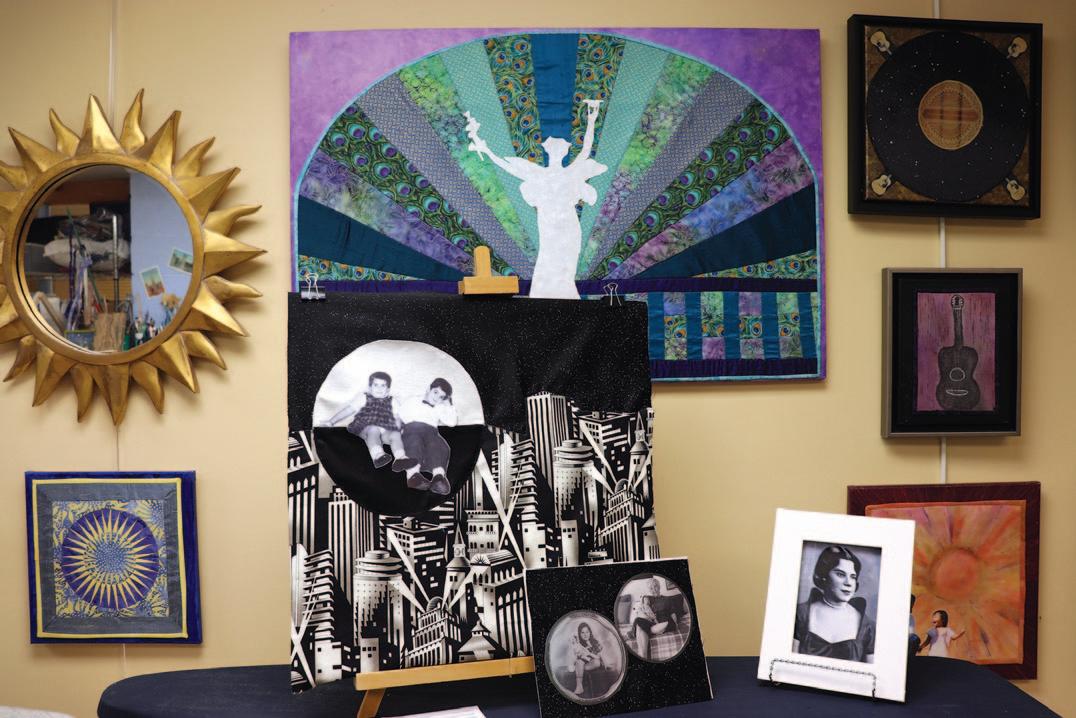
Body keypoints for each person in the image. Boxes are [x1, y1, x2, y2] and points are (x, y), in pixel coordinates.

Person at [465, 100, 607, 299]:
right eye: (555, 150)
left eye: (560, 150)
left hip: (568, 222)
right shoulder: (539, 174)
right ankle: (544, 294)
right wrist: (487, 150)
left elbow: (586, 149)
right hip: (549, 222)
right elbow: (509, 168)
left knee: (568, 257)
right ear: (550, 153)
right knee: (549, 256)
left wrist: (591, 120)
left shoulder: (568, 172)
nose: (558, 152)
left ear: (564, 153)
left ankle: (566, 292)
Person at [792, 545, 876, 663]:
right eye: (840, 574)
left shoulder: (867, 626)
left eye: (853, 577)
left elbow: (870, 673)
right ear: (824, 576)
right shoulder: (800, 614)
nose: (848, 583)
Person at [327, 371, 412, 470]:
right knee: (373, 429)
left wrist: (397, 429)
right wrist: (331, 421)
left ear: (388, 389)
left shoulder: (393, 401)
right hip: (366, 428)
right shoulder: (363, 397)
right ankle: (377, 455)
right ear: (370, 387)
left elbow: (397, 417)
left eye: (383, 386)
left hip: (385, 430)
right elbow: (348, 410)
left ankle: (400, 458)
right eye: (376, 385)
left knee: (395, 434)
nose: (379, 388)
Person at [398, 378, 457, 495]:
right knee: (414, 440)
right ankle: (413, 476)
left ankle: (438, 477)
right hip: (412, 430)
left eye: (441, 397)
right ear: (428, 389)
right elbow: (400, 417)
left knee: (440, 445)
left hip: (430, 436)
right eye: (435, 392)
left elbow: (452, 422)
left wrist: (448, 404)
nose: (436, 398)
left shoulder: (440, 407)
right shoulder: (413, 400)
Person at [630, 576, 681, 660]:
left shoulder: (667, 599)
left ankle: (636, 632)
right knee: (638, 621)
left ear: (659, 586)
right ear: (649, 590)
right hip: (653, 624)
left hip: (665, 622)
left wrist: (676, 624)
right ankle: (643, 657)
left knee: (640, 627)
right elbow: (644, 610)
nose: (654, 589)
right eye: (651, 588)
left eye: (655, 586)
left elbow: (673, 613)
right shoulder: (648, 599)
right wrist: (646, 608)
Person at [569, 621, 605, 697]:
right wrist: (579, 655)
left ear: (590, 632)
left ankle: (579, 669)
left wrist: (589, 653)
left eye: (587, 632)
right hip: (584, 663)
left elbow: (599, 657)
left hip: (595, 662)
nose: (585, 635)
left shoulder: (595, 643)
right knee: (579, 662)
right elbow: (578, 657)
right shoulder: (580, 645)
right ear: (579, 634)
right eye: (582, 633)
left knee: (596, 662)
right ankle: (579, 687)